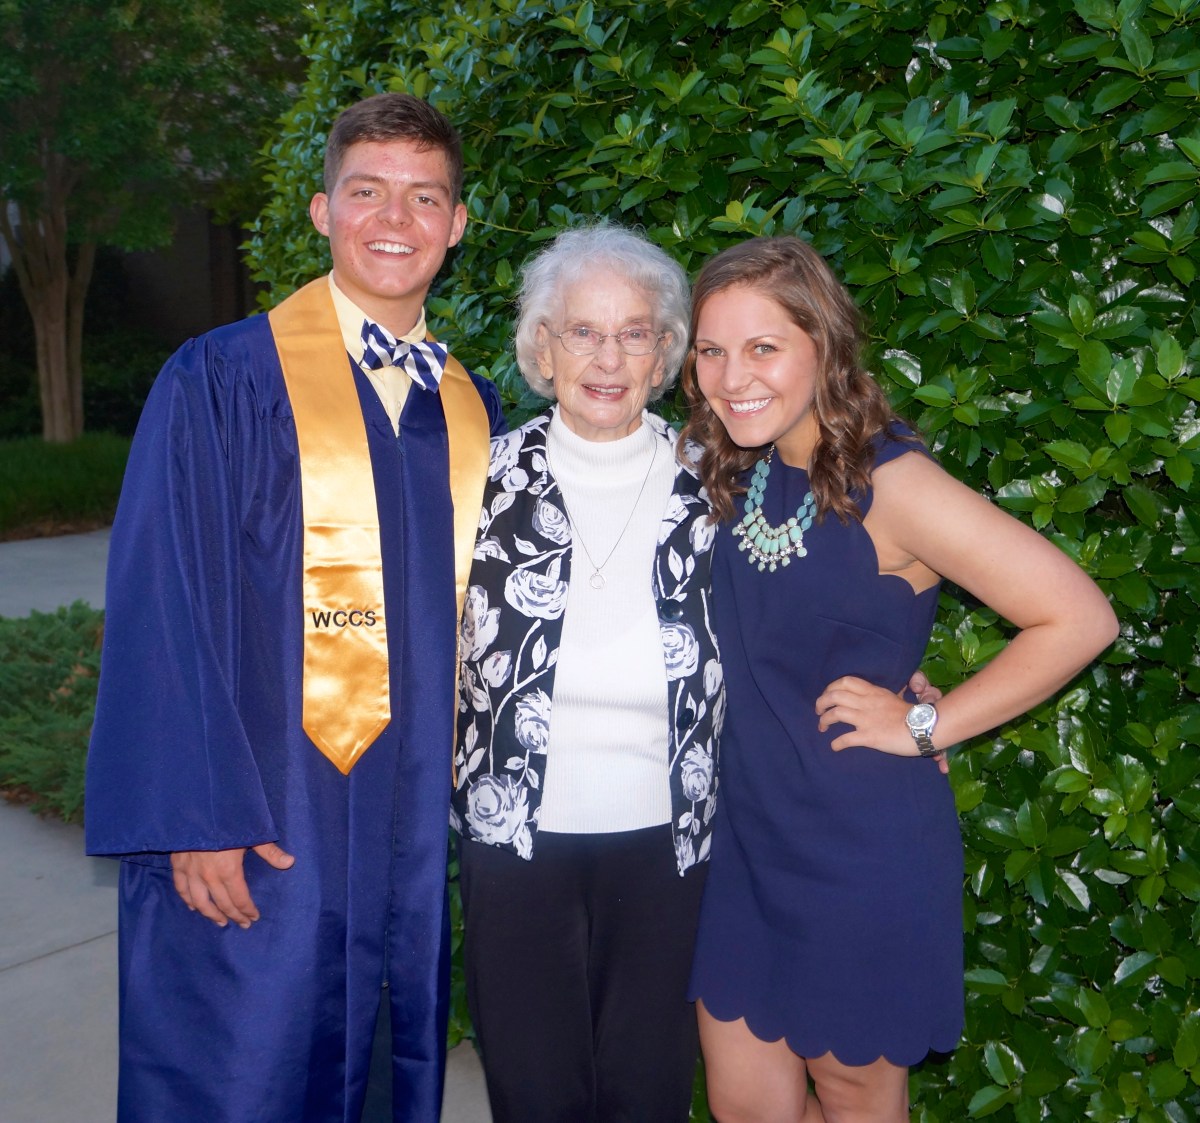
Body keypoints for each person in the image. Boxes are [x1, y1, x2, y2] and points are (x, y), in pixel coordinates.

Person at [84, 93, 505, 1122]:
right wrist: (197, 816)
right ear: (323, 211)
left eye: (424, 197)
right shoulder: (224, 380)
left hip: (403, 826)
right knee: (244, 1068)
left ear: (457, 224)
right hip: (265, 817)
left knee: (379, 1065)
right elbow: (161, 601)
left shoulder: (470, 406)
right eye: (367, 191)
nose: (394, 219)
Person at [681, 236, 1118, 1123]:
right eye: (711, 350)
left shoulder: (896, 482)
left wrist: (927, 726)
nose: (732, 377)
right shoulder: (739, 465)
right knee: (745, 1103)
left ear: (824, 344)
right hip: (747, 838)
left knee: (854, 1096)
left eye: (763, 347)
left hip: (858, 851)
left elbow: (1079, 616)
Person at [449, 223, 720, 1122]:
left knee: (648, 1090)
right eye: (583, 332)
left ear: (665, 352)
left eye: (634, 332)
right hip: (513, 836)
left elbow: (796, 616)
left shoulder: (718, 482)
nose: (608, 358)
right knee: (534, 1090)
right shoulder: (478, 480)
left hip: (670, 840)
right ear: (543, 347)